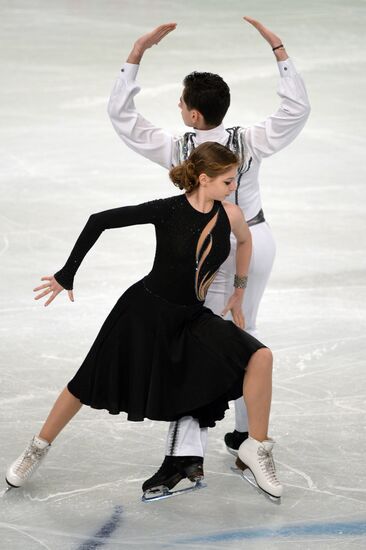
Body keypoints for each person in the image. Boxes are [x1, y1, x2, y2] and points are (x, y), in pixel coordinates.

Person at [6, 142, 282, 499]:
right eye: (228, 181)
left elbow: (245, 244)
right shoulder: (167, 211)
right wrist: (67, 273)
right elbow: (98, 221)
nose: (234, 187)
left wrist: (240, 290)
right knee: (85, 384)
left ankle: (255, 447)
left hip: (191, 320)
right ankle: (37, 448)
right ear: (204, 179)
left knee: (260, 357)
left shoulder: (232, 215)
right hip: (141, 314)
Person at [107, 17, 310, 489]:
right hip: (258, 243)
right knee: (246, 329)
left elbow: (123, 120)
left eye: (181, 102)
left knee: (200, 342)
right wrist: (278, 47)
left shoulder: (180, 151)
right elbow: (296, 109)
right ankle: (244, 437)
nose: (178, 106)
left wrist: (137, 51)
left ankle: (188, 457)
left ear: (195, 116)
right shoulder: (251, 140)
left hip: (213, 252)